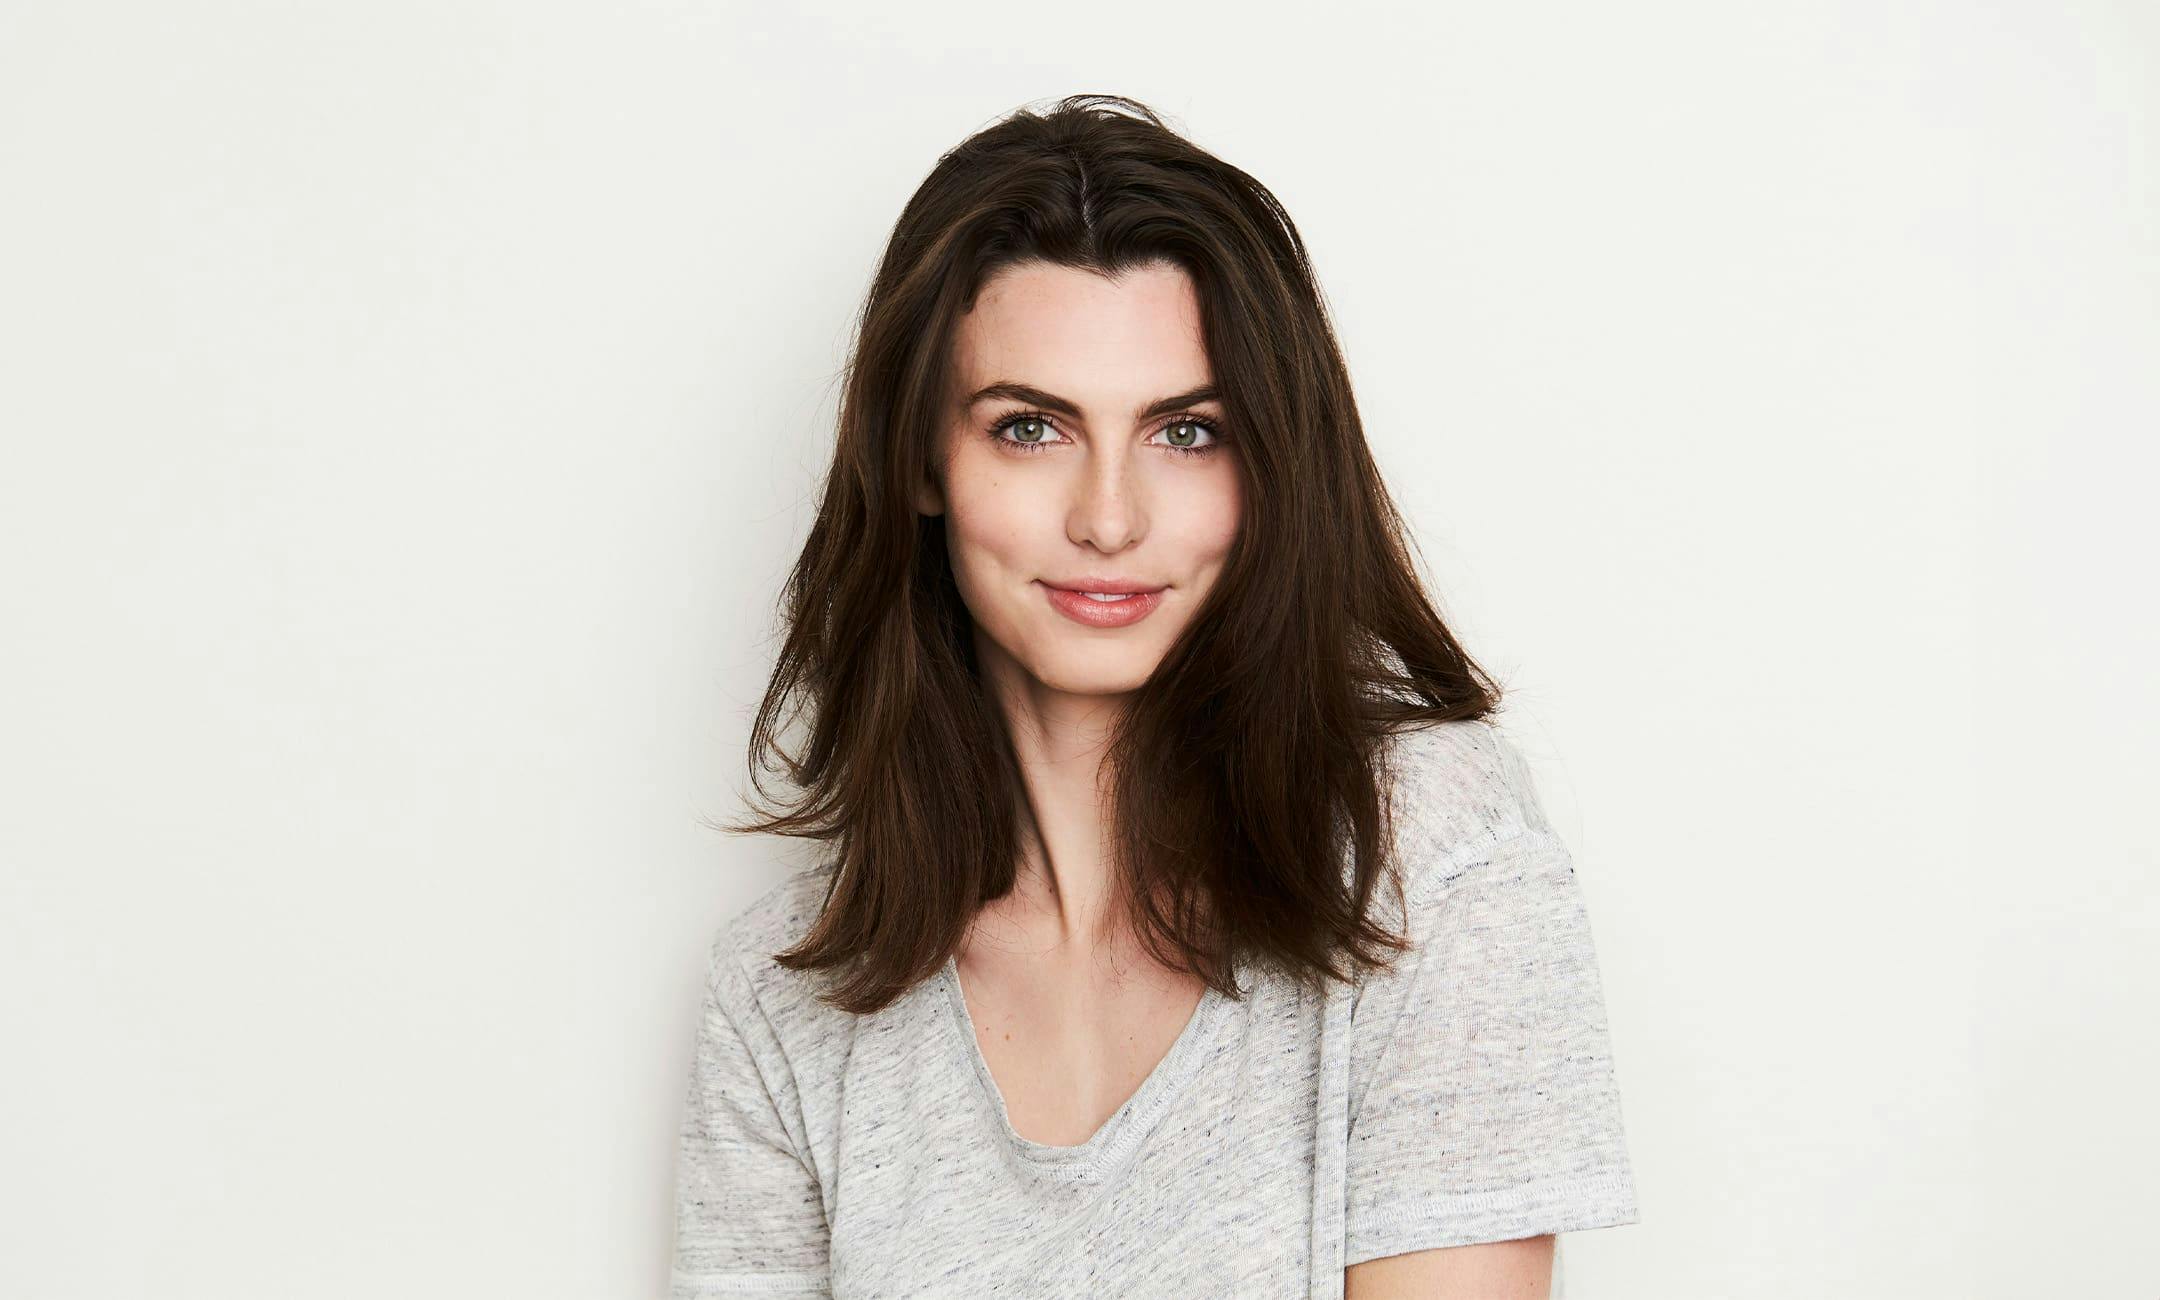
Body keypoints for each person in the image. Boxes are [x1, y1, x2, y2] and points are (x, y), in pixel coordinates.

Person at [670, 94, 1639, 1299]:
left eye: (1185, 432)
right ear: (924, 459)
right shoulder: (785, 994)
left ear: (1272, 462)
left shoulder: (1428, 858)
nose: (1110, 518)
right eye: (1030, 427)